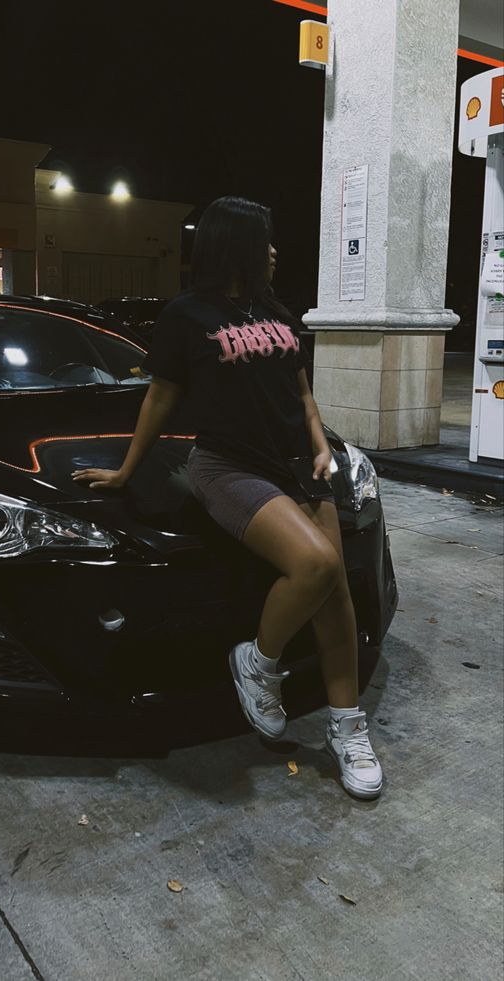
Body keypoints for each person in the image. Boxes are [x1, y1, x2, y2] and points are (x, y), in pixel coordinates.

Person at [72, 196, 383, 800]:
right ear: (233, 244)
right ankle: (258, 661)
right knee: (315, 564)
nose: (273, 251)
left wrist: (322, 447)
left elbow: (303, 396)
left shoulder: (274, 311)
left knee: (335, 589)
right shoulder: (186, 315)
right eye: (262, 240)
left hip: (299, 468)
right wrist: (124, 470)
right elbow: (160, 398)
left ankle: (348, 730)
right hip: (228, 468)